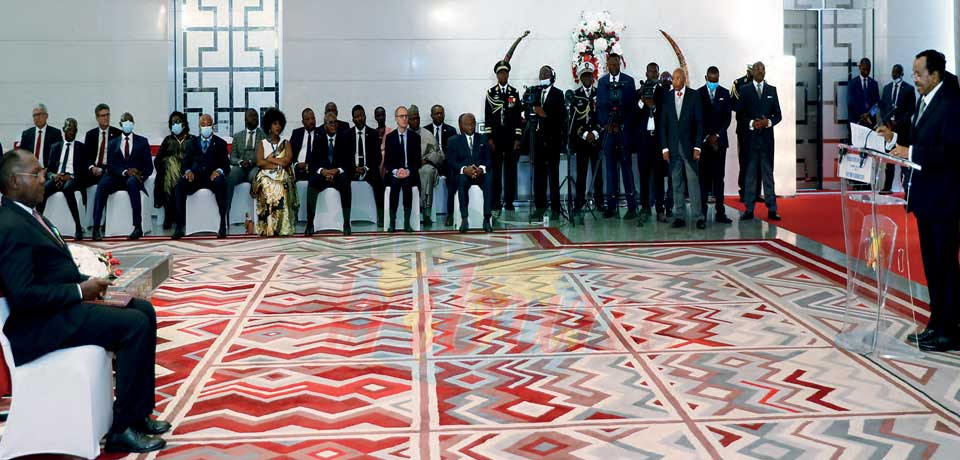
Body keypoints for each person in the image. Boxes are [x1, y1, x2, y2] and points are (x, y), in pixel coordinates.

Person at [0, 149, 169, 453]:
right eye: (37, 174)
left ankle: (140, 412)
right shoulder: (9, 226)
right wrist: (81, 291)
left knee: (143, 308)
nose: (45, 179)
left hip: (61, 308)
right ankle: (122, 430)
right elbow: (23, 295)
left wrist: (89, 282)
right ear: (14, 180)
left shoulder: (30, 214)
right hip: (41, 324)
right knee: (133, 326)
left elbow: (51, 270)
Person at [878, 49, 960, 352]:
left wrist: (909, 152)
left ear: (934, 75)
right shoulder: (926, 101)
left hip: (944, 198)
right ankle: (937, 323)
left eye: (918, 74)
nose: (914, 79)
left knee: (945, 265)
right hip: (926, 197)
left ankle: (950, 330)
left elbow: (951, 151)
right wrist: (893, 139)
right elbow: (916, 136)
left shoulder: (951, 104)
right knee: (932, 265)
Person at [91, 113, 153, 241]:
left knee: (132, 182)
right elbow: (111, 165)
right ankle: (96, 228)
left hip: (134, 179)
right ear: (120, 124)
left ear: (134, 123)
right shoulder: (113, 143)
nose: (128, 123)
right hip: (117, 177)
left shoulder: (142, 141)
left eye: (130, 120)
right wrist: (124, 171)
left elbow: (149, 167)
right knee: (102, 185)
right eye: (125, 121)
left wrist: (139, 174)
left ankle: (137, 227)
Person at [172, 114, 230, 239]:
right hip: (196, 178)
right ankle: (180, 225)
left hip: (212, 178)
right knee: (180, 185)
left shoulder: (220, 143)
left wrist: (219, 171)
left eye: (208, 124)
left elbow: (226, 166)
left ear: (213, 126)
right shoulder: (191, 143)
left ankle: (221, 225)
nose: (206, 127)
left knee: (221, 183)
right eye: (203, 125)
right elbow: (184, 164)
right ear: (199, 127)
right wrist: (187, 171)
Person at [660, 68, 705, 229]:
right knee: (676, 183)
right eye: (673, 78)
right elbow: (663, 125)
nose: (675, 81)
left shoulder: (694, 96)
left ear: (684, 79)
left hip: (689, 148)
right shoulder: (667, 97)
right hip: (672, 149)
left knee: (693, 183)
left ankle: (698, 216)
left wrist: (698, 146)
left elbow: (700, 123)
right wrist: (664, 148)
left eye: (678, 78)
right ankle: (679, 216)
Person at [738, 62, 782, 221]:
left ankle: (772, 208)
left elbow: (778, 115)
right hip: (750, 140)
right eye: (757, 69)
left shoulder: (772, 90)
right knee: (750, 175)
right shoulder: (744, 90)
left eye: (762, 69)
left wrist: (768, 122)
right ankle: (749, 209)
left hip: (766, 141)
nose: (760, 71)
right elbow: (740, 115)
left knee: (768, 175)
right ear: (752, 71)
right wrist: (751, 123)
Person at [597, 52, 638, 219]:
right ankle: (611, 206)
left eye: (616, 64)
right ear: (608, 65)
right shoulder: (602, 82)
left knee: (627, 169)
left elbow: (632, 109)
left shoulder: (628, 81)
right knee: (610, 171)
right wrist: (607, 124)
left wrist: (622, 125)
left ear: (620, 64)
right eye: (611, 64)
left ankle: (631, 207)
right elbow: (599, 107)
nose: (613, 67)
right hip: (609, 133)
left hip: (623, 133)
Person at [305, 112, 353, 236]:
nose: (334, 125)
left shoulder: (344, 137)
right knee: (312, 183)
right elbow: (312, 162)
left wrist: (337, 170)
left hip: (338, 174)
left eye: (335, 122)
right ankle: (310, 223)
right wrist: (323, 171)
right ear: (325, 125)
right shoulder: (318, 138)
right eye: (331, 123)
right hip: (323, 174)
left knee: (346, 182)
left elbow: (349, 162)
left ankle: (346, 223)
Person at [484, 59, 522, 212]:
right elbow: (488, 118)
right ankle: (496, 201)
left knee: (511, 171)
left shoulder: (514, 93)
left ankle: (509, 201)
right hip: (497, 139)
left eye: (505, 73)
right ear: (497, 76)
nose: (503, 76)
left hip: (511, 139)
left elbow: (518, 118)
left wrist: (518, 138)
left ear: (508, 75)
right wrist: (490, 138)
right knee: (496, 171)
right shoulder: (490, 93)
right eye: (500, 73)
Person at [253, 108, 298, 236]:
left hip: (282, 174)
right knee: (268, 186)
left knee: (282, 185)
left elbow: (287, 162)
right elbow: (260, 163)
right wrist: (276, 162)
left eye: (279, 124)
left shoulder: (286, 143)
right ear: (269, 126)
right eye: (274, 124)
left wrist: (271, 159)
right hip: (265, 175)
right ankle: (269, 227)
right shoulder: (262, 143)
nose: (277, 127)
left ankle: (283, 227)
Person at [41, 118, 88, 240]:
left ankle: (78, 227)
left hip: (73, 179)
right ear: (63, 130)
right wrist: (54, 176)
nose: (71, 132)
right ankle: (39, 225)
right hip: (57, 177)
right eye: (69, 129)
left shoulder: (81, 148)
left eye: (74, 130)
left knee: (68, 188)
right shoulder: (55, 147)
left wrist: (70, 176)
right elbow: (49, 170)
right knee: (43, 189)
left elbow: (84, 171)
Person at [697, 66, 733, 224]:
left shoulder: (725, 93)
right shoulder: (698, 94)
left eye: (716, 81)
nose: (713, 84)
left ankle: (720, 212)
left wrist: (716, 135)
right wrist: (707, 137)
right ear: (706, 78)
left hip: (720, 143)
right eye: (711, 81)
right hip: (704, 143)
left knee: (719, 178)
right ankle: (702, 213)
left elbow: (727, 119)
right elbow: (697, 119)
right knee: (703, 179)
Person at [530, 65, 566, 221]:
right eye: (541, 73)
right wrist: (531, 110)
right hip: (537, 141)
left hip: (552, 141)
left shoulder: (558, 94)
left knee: (553, 175)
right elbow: (526, 111)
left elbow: (560, 117)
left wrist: (544, 115)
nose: (543, 75)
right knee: (539, 176)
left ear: (552, 76)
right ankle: (540, 207)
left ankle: (556, 209)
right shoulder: (535, 92)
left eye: (546, 73)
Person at [449, 113, 493, 233]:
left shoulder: (483, 139)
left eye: (472, 123)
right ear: (461, 126)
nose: (470, 127)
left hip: (480, 173)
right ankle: (464, 219)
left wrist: (481, 169)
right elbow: (451, 162)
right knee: (461, 181)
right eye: (467, 124)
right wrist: (464, 169)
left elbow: (489, 160)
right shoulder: (453, 141)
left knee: (489, 180)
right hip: (464, 174)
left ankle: (487, 219)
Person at [571, 62, 603, 223]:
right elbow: (573, 121)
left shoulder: (600, 94)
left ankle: (600, 202)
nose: (587, 78)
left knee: (598, 174)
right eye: (584, 76)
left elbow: (602, 116)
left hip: (596, 140)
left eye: (589, 75)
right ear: (580, 78)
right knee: (581, 173)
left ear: (593, 77)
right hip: (582, 141)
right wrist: (585, 134)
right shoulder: (575, 95)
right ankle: (579, 202)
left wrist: (595, 133)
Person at [878, 64, 916, 194]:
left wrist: (897, 123)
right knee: (890, 159)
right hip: (889, 130)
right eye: (893, 72)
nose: (894, 74)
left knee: (904, 161)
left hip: (903, 130)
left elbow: (910, 111)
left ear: (902, 73)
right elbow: (883, 108)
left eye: (897, 72)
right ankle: (887, 187)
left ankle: (906, 188)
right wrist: (886, 122)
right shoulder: (887, 88)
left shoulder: (909, 89)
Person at [383, 106, 422, 232]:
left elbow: (417, 161)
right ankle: (392, 222)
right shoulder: (390, 137)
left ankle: (407, 222)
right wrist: (396, 171)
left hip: (409, 172)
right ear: (396, 119)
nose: (405, 119)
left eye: (406, 116)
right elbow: (387, 162)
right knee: (394, 185)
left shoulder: (415, 137)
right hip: (394, 173)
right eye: (402, 116)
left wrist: (408, 171)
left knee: (407, 185)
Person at [153, 111, 193, 230]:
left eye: (177, 122)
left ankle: (171, 216)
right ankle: (171, 215)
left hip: (187, 173)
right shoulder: (168, 140)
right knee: (171, 164)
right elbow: (158, 160)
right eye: (172, 123)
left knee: (174, 167)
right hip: (168, 175)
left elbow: (197, 158)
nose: (175, 125)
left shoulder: (192, 139)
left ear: (184, 124)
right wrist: (171, 162)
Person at [636, 81, 669, 224]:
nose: (652, 74)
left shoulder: (664, 93)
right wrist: (642, 102)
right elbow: (633, 116)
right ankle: (644, 207)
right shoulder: (640, 92)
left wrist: (654, 106)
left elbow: (666, 115)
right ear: (646, 73)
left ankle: (660, 209)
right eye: (650, 71)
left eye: (655, 72)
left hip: (657, 141)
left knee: (659, 177)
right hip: (643, 142)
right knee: (643, 176)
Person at [407, 105, 443, 225]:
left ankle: (426, 212)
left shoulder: (427, 134)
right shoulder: (403, 134)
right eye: (413, 119)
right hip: (407, 167)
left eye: (417, 118)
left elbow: (439, 155)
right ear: (407, 120)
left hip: (425, 166)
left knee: (427, 171)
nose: (416, 121)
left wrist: (427, 159)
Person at [350, 104, 384, 226]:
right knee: (342, 181)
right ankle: (344, 217)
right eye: (357, 116)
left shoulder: (373, 134)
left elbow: (378, 158)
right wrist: (353, 168)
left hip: (368, 169)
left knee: (379, 182)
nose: (360, 118)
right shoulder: (347, 135)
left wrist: (366, 168)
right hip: (352, 170)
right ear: (353, 119)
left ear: (365, 116)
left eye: (362, 115)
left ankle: (381, 216)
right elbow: (344, 157)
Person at [83, 103, 122, 205]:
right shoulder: (91, 135)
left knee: (104, 184)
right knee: (79, 179)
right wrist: (92, 167)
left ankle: (101, 217)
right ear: (97, 118)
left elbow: (119, 158)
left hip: (108, 169)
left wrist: (107, 169)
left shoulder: (117, 134)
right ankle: (85, 208)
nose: (106, 118)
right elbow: (86, 156)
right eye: (103, 115)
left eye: (108, 115)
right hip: (94, 169)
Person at [731, 65, 759, 202]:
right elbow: (734, 104)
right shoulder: (739, 84)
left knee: (759, 161)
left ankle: (757, 192)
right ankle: (744, 192)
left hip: (759, 129)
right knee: (745, 161)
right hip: (744, 129)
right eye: (751, 71)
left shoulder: (761, 86)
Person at [228, 109, 265, 207]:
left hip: (255, 167)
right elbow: (232, 158)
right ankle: (225, 211)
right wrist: (240, 162)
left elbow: (265, 156)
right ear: (245, 119)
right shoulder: (237, 136)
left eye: (256, 116)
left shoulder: (264, 136)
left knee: (256, 176)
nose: (255, 118)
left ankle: (259, 214)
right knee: (230, 177)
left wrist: (251, 161)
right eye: (252, 116)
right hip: (240, 167)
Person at [430, 105, 459, 226]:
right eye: (437, 113)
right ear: (432, 115)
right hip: (432, 162)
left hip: (447, 163)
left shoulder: (451, 130)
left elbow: (455, 151)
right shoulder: (425, 130)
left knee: (452, 180)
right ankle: (425, 213)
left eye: (441, 113)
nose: (439, 116)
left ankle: (450, 214)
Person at [20, 103, 63, 171]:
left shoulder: (55, 133)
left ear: (46, 116)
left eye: (39, 114)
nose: (37, 118)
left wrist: (49, 170)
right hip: (30, 170)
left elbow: (59, 156)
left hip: (47, 171)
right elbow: (22, 154)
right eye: (34, 115)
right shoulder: (27, 134)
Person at [847, 57, 881, 127]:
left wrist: (869, 114)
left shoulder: (874, 84)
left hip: (870, 121)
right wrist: (863, 116)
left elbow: (877, 104)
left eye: (868, 70)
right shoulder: (852, 83)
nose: (866, 72)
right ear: (859, 67)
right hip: (856, 121)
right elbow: (850, 103)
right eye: (864, 69)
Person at [289, 108, 318, 183]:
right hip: (298, 169)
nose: (311, 121)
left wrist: (309, 166)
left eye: (313, 118)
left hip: (314, 169)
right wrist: (296, 164)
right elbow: (289, 152)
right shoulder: (296, 133)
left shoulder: (321, 133)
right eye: (308, 119)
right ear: (303, 122)